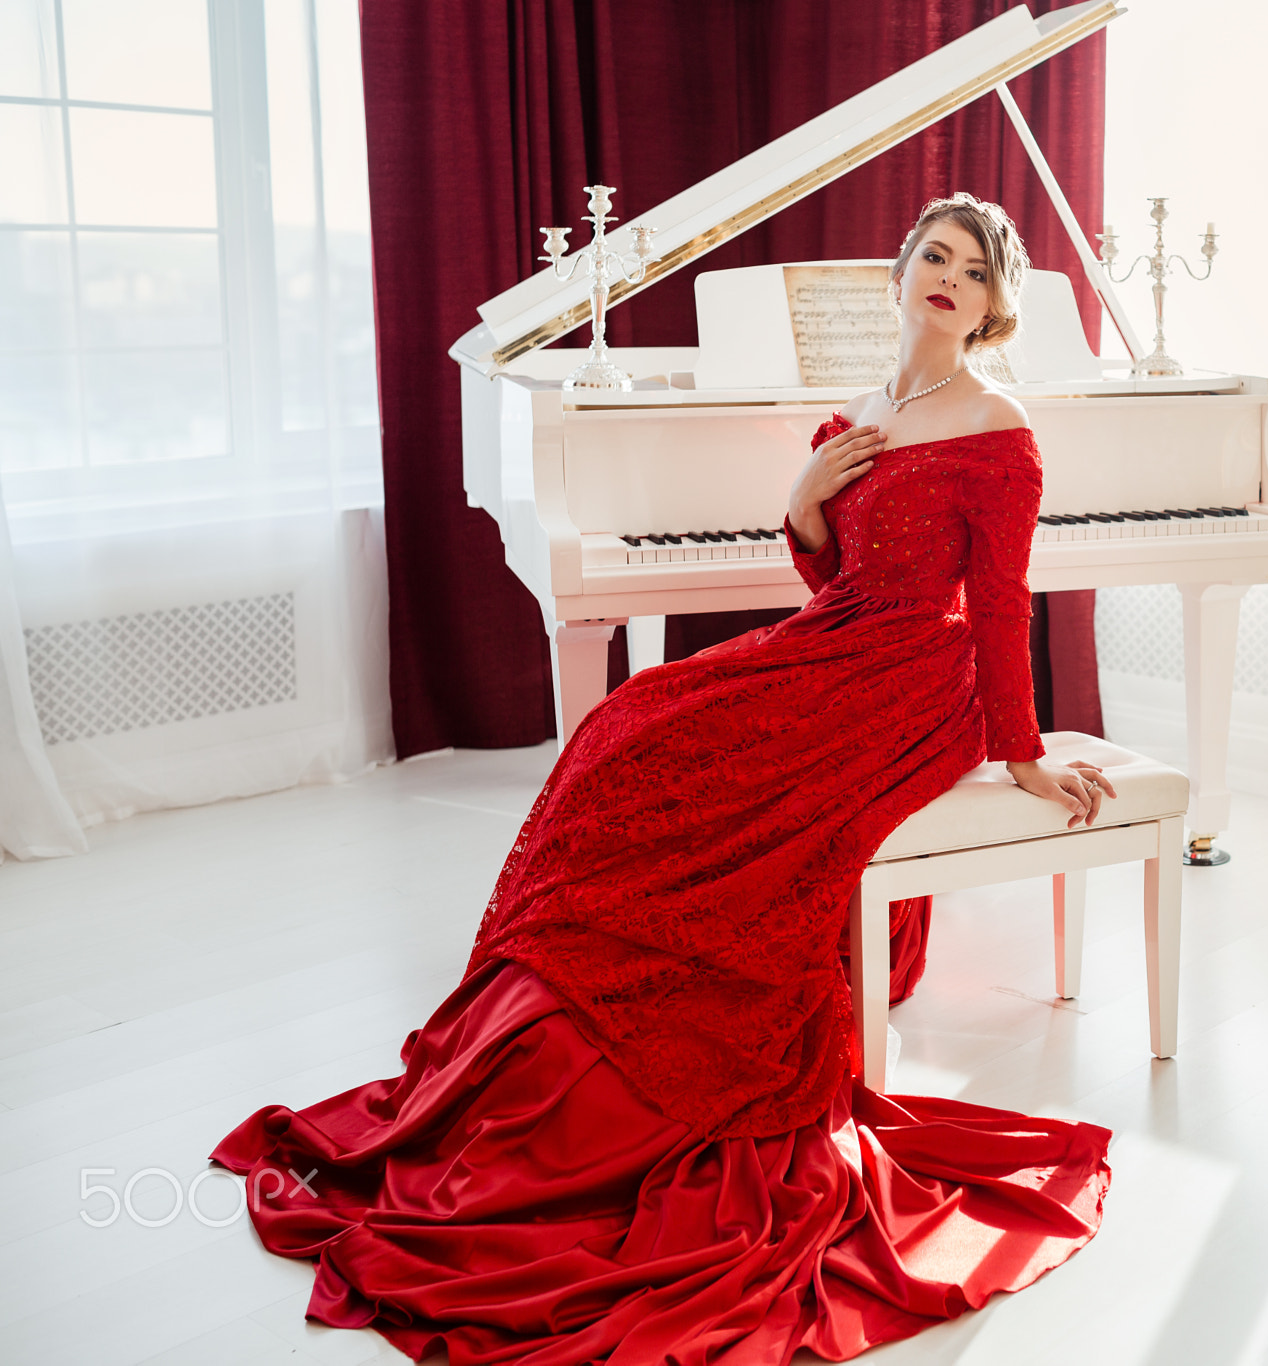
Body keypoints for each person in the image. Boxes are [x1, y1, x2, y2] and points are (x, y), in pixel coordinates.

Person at [213, 193, 1119, 1366]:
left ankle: (665, 1037)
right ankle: (556, 1021)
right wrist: (801, 505)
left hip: (914, 676)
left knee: (707, 769)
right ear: (899, 273)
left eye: (974, 269)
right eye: (932, 255)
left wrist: (1023, 750)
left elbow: (997, 600)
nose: (948, 277)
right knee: (630, 721)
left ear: (996, 305)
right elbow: (824, 577)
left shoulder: (997, 425)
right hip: (835, 640)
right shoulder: (858, 414)